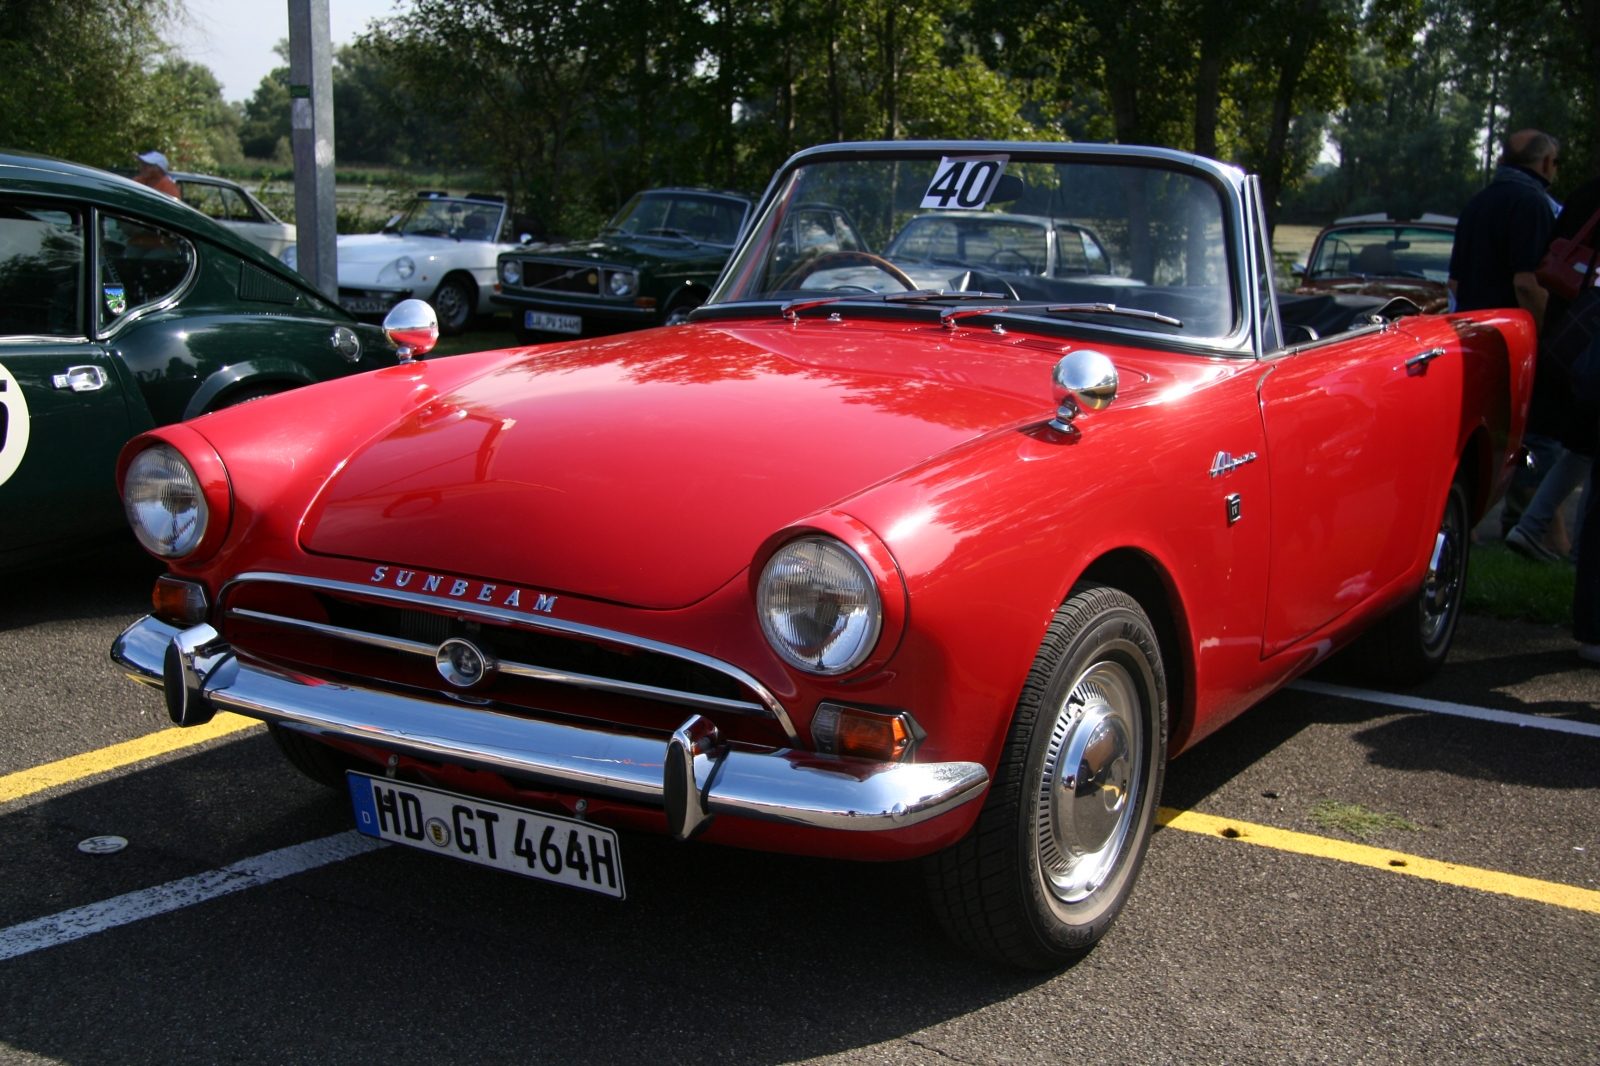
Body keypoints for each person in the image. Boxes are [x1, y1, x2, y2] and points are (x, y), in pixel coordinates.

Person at [1451, 130, 1561, 535]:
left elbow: (1457, 284)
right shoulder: (1533, 204)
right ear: (1547, 163)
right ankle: (1528, 525)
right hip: (1516, 336)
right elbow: (1527, 283)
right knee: (1539, 434)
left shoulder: (1477, 203)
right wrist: (1549, 333)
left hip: (1474, 334)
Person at [1506, 175, 1600, 564]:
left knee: (1582, 443)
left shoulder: (1584, 194)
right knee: (1583, 444)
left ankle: (1536, 526)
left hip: (1570, 330)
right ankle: (1571, 544)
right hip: (1588, 332)